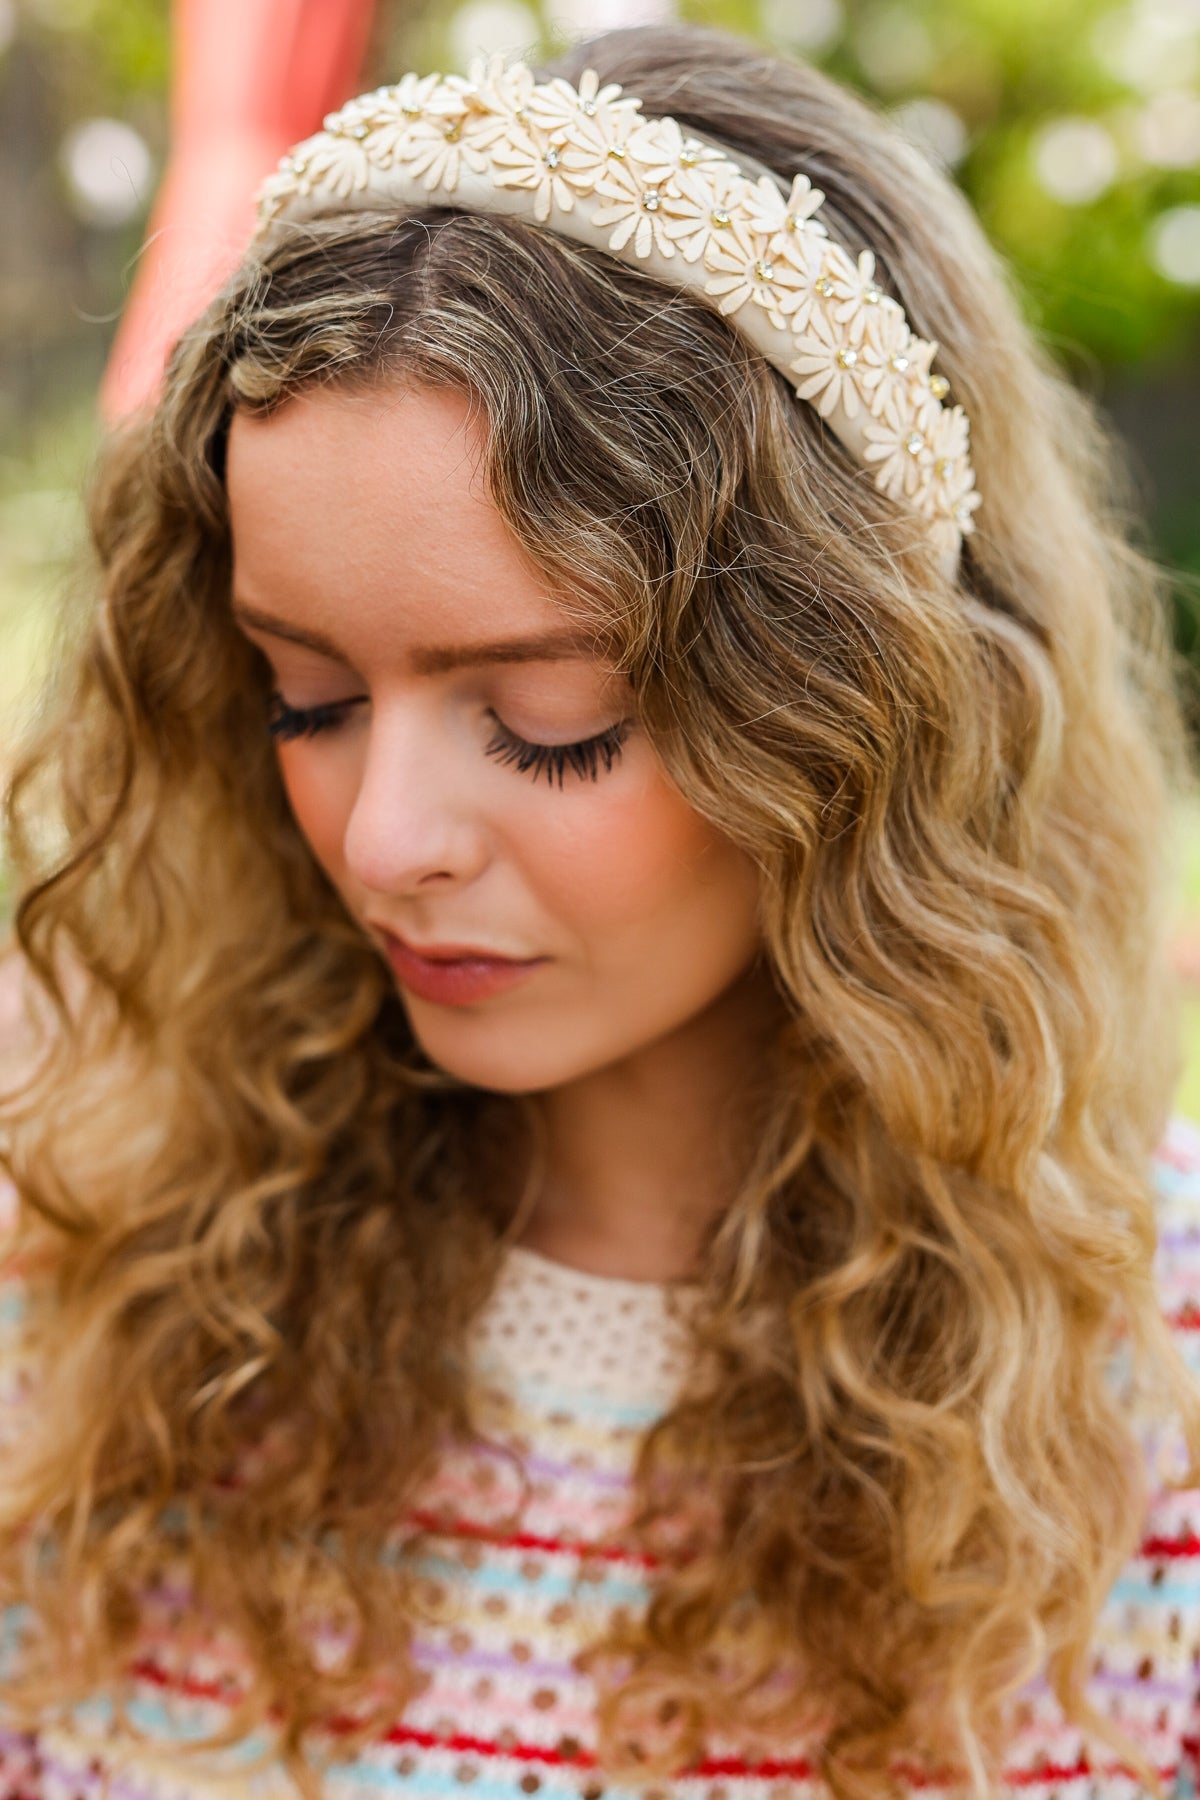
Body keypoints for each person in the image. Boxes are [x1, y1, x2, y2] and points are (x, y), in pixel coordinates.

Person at [1, 19, 1200, 1800]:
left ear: (847, 706)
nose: (385, 837)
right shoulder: (89, 1310)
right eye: (307, 697)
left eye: (548, 723)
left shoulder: (1157, 1402)